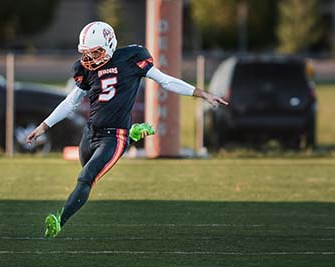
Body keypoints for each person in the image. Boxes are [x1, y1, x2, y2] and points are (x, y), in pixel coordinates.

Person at [26, 21, 228, 238]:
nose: (90, 59)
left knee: (86, 178)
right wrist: (44, 125)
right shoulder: (85, 70)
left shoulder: (132, 59)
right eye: (87, 53)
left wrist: (202, 93)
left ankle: (59, 220)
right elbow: (70, 102)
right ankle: (134, 135)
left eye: (95, 52)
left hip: (114, 136)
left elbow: (166, 81)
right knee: (86, 171)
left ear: (109, 45)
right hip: (90, 132)